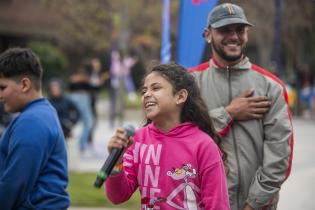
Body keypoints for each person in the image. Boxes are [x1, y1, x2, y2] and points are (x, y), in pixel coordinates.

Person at [189, 3, 294, 210]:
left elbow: (280, 154)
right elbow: (183, 141)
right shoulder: (190, 83)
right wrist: (229, 113)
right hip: (207, 205)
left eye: (240, 29)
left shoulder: (271, 85)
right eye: (224, 30)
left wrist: (254, 204)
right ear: (208, 34)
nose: (234, 36)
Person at [104, 63, 230, 209]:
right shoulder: (137, 140)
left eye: (156, 88)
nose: (147, 94)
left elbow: (218, 204)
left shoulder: (203, 145)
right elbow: (117, 196)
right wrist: (116, 163)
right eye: (144, 91)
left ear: (180, 96)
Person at [0, 48, 70, 209]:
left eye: (3, 88)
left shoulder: (32, 121)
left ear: (25, 84)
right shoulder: (41, 112)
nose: (0, 95)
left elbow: (15, 184)